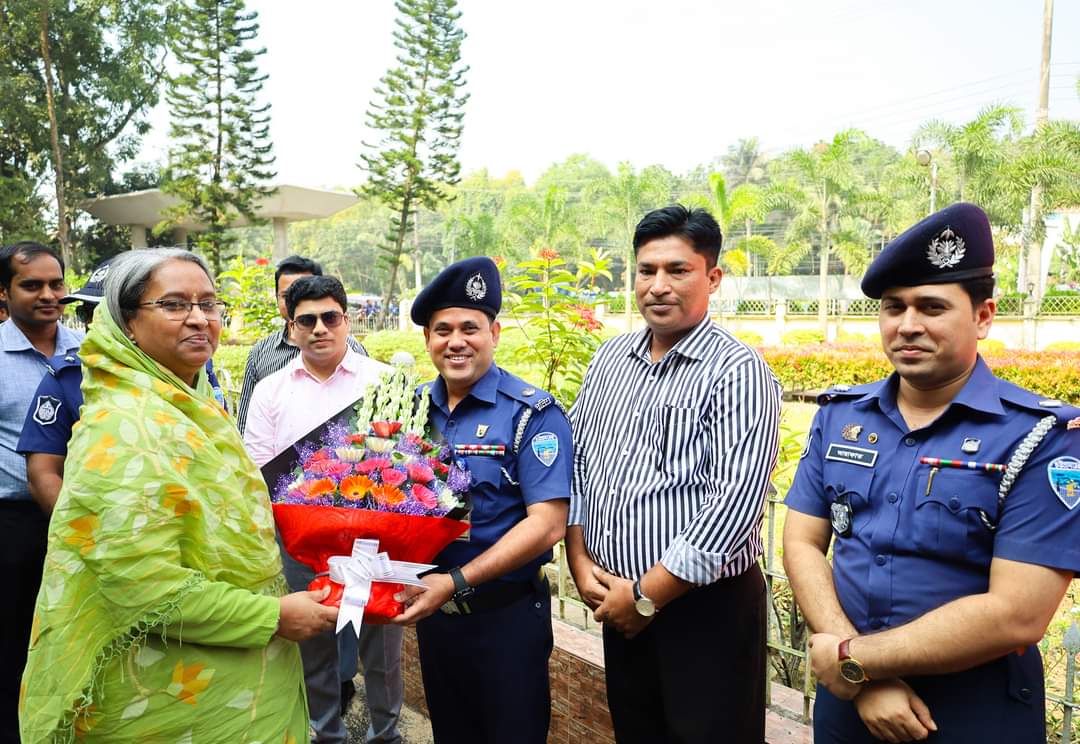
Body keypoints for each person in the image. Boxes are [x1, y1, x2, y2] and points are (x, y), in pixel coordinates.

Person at [783, 203, 1080, 744]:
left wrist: (854, 659)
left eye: (932, 306)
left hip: (972, 714)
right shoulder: (841, 416)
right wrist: (860, 675)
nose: (908, 325)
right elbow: (802, 541)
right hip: (848, 707)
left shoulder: (1044, 438)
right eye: (893, 307)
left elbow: (1017, 614)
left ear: (984, 317)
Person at [19, 248, 338, 743]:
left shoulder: (195, 403)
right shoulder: (122, 427)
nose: (199, 319)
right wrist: (273, 615)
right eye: (173, 305)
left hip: (243, 677)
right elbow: (143, 588)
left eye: (209, 304)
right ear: (126, 323)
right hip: (170, 698)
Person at [565, 205, 781, 743]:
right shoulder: (609, 360)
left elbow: (736, 503)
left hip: (704, 614)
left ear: (712, 278)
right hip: (619, 607)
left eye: (677, 270)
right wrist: (578, 557)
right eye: (646, 270)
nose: (658, 285)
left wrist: (647, 595)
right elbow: (577, 463)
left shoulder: (738, 371)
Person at [392, 256, 571, 744]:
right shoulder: (407, 412)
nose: (456, 341)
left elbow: (548, 524)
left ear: (494, 332)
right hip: (437, 622)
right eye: (442, 329)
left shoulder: (530, 414)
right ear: (426, 339)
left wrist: (456, 582)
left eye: (469, 328)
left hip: (505, 622)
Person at [244, 274, 404, 744]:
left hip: (377, 541)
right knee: (312, 644)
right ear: (291, 328)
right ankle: (326, 733)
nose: (319, 329)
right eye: (306, 320)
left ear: (347, 321)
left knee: (381, 647)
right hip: (302, 543)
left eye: (329, 317)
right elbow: (260, 471)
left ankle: (386, 734)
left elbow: (404, 456)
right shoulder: (271, 390)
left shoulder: (384, 382)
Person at [17, 258, 230, 516]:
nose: (94, 323)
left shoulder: (196, 372)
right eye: (86, 313)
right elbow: (44, 473)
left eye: (101, 313)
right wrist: (89, 531)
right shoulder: (69, 375)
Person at [0, 241, 82, 742]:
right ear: (4, 293)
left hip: (91, 522)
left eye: (56, 284)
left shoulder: (89, 354)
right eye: (32, 285)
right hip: (14, 526)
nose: (48, 295)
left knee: (73, 637)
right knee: (14, 640)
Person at [235, 255, 365, 434]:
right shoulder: (260, 354)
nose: (299, 297)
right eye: (287, 295)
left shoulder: (353, 350)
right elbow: (246, 425)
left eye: (307, 289)